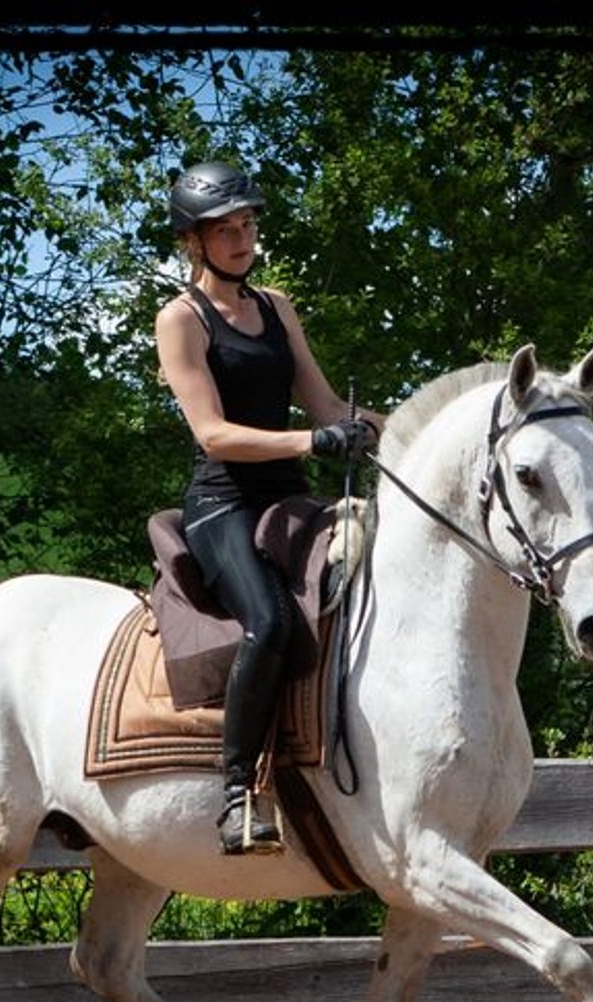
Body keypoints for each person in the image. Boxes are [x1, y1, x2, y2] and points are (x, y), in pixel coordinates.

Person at [154, 160, 384, 855]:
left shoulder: (277, 306)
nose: (242, 239)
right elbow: (213, 434)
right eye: (225, 230)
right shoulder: (180, 319)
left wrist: (405, 427)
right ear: (192, 242)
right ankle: (236, 794)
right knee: (269, 619)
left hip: (287, 497)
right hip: (222, 503)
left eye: (248, 224)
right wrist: (313, 440)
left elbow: (322, 402)